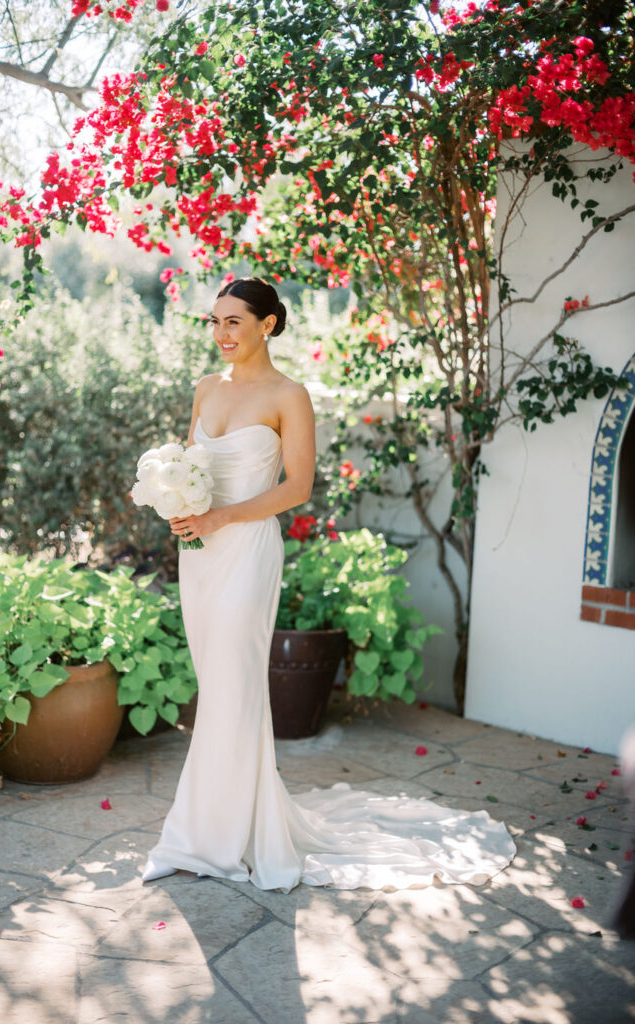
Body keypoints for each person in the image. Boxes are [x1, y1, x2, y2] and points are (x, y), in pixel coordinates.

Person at [141, 277, 516, 892]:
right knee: (218, 684)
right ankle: (229, 820)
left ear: (268, 324)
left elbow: (297, 488)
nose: (222, 333)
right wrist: (175, 500)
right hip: (200, 553)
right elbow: (190, 464)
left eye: (235, 321)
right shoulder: (205, 389)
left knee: (235, 681)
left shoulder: (290, 395)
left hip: (247, 549)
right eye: (215, 321)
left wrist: (222, 516)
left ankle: (210, 836)